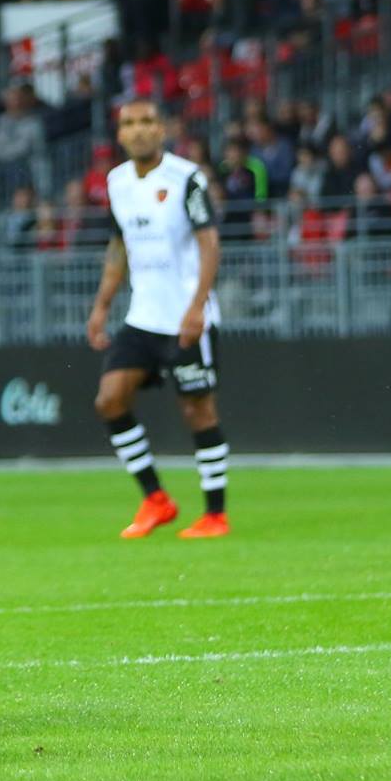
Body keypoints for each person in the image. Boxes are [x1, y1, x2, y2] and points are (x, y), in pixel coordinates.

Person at [85, 99, 231, 540]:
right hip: (143, 316)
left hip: (185, 316)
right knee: (109, 400)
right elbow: (119, 247)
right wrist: (102, 305)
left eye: (147, 121)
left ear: (162, 129)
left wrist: (197, 306)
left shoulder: (186, 177)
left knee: (198, 410)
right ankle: (156, 498)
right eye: (129, 123)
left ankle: (215, 514)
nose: (139, 130)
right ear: (120, 134)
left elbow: (209, 244)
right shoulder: (117, 182)